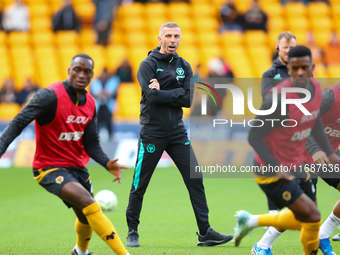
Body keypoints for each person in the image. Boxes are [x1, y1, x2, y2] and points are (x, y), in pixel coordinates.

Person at [0, 53, 130, 255]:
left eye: (87, 71)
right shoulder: (49, 96)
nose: (81, 75)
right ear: (69, 70)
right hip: (48, 167)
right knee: (89, 202)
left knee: (86, 216)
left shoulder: (90, 103)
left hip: (77, 167)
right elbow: (18, 123)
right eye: (77, 69)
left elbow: (90, 143)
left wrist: (106, 163)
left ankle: (80, 251)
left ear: (92, 75)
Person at [125, 22, 233, 248]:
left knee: (196, 179)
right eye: (168, 36)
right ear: (160, 39)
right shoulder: (147, 65)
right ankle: (132, 231)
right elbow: (152, 97)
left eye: (176, 36)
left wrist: (163, 91)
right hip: (152, 133)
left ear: (180, 39)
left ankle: (205, 233)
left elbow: (187, 100)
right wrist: (175, 91)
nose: (172, 40)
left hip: (177, 132)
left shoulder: (185, 65)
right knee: (140, 184)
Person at [233, 45, 340, 255]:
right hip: (292, 160)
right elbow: (257, 135)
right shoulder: (325, 97)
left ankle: (323, 236)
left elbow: (314, 122)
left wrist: (328, 153)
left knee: (308, 215)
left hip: (322, 158)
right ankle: (261, 242)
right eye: (296, 68)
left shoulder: (314, 91)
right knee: (306, 214)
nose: (301, 73)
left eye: (305, 68)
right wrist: (314, 150)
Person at [261, 31, 297, 99]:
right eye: (285, 47)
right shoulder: (269, 75)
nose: (288, 51)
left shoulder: (305, 73)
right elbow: (268, 102)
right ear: (277, 47)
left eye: (291, 48)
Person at [90, 67, 120, 139]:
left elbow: (115, 95)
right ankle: (95, 136)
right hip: (98, 104)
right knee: (96, 122)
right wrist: (99, 94)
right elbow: (91, 94)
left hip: (107, 104)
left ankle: (110, 136)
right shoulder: (95, 82)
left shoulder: (111, 82)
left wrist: (108, 94)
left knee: (108, 121)